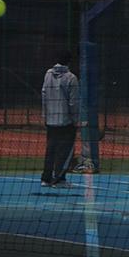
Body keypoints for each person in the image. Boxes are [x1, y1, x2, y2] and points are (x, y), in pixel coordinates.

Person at [40, 51, 80, 188]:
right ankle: (59, 179)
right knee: (65, 151)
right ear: (69, 62)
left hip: (51, 120)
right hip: (65, 121)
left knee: (50, 150)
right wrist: (75, 119)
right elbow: (73, 102)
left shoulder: (48, 74)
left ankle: (46, 178)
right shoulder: (71, 78)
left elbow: (44, 95)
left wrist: (45, 115)